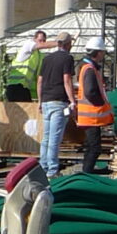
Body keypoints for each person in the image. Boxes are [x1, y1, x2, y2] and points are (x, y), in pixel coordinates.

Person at [37, 31, 75, 175]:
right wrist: (72, 101)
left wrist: (40, 101)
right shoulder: (67, 58)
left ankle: (43, 167)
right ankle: (52, 170)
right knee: (55, 137)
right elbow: (67, 80)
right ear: (68, 44)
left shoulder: (47, 59)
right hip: (59, 101)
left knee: (46, 137)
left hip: (46, 100)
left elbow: (39, 81)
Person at [75, 43, 114, 175]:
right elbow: (90, 92)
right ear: (98, 53)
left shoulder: (88, 68)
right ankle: (87, 173)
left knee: (91, 146)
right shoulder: (90, 69)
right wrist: (100, 103)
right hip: (91, 116)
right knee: (95, 147)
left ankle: (87, 171)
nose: (103, 55)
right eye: (102, 52)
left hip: (89, 116)